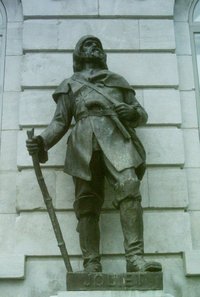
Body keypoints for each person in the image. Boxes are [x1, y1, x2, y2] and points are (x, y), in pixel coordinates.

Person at [26, 35, 162, 273]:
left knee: (129, 185)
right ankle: (91, 263)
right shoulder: (70, 84)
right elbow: (59, 122)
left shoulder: (118, 82)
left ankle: (135, 259)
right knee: (86, 201)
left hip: (116, 139)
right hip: (83, 143)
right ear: (79, 53)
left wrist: (130, 112)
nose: (94, 48)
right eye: (88, 45)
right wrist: (41, 142)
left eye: (97, 46)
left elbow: (141, 114)